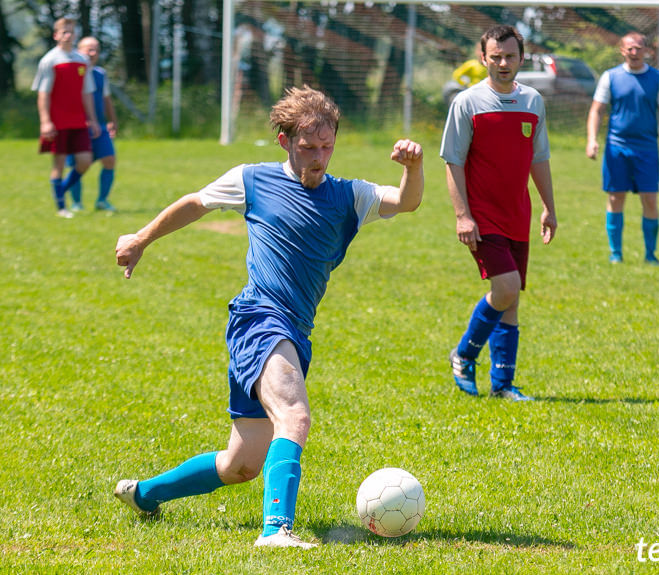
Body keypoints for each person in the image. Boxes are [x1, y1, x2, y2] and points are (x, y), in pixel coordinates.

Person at [112, 86, 424, 548]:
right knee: (294, 417)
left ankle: (146, 494)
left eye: (326, 145)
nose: (319, 157)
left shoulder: (349, 197)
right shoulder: (252, 180)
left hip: (294, 331)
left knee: (240, 464)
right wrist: (140, 238)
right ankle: (276, 531)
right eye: (307, 147)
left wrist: (413, 169)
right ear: (284, 142)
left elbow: (407, 202)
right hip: (259, 320)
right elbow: (197, 203)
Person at [441, 25, 557, 402]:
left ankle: (503, 384)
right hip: (482, 214)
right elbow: (453, 162)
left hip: (516, 213)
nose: (503, 63)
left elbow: (539, 159)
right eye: (496, 56)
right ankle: (464, 354)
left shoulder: (533, 101)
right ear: (483, 58)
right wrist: (463, 215)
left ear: (521, 59)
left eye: (510, 56)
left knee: (511, 296)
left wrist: (548, 208)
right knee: (505, 287)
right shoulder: (468, 103)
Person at [585, 31, 659, 264]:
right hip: (617, 147)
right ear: (622, 51)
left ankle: (651, 255)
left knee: (650, 200)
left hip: (647, 148)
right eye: (629, 48)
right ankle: (616, 254)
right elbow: (596, 110)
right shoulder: (610, 77)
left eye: (639, 48)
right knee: (615, 198)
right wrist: (592, 139)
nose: (634, 52)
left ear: (647, 51)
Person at [32, 17, 101, 218]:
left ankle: (60, 191)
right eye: (64, 32)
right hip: (57, 122)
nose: (68, 35)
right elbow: (43, 94)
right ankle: (62, 208)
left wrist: (93, 119)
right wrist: (46, 121)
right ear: (56, 35)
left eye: (71, 31)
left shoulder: (82, 61)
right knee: (59, 164)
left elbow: (86, 93)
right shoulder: (50, 60)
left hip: (78, 121)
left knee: (85, 161)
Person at [65, 36, 119, 213]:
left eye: (96, 49)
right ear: (78, 51)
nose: (92, 53)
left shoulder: (100, 74)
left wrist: (112, 120)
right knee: (79, 164)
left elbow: (106, 99)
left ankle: (102, 201)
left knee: (110, 160)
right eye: (89, 49)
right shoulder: (71, 73)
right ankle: (76, 203)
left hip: (100, 127)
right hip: (77, 127)